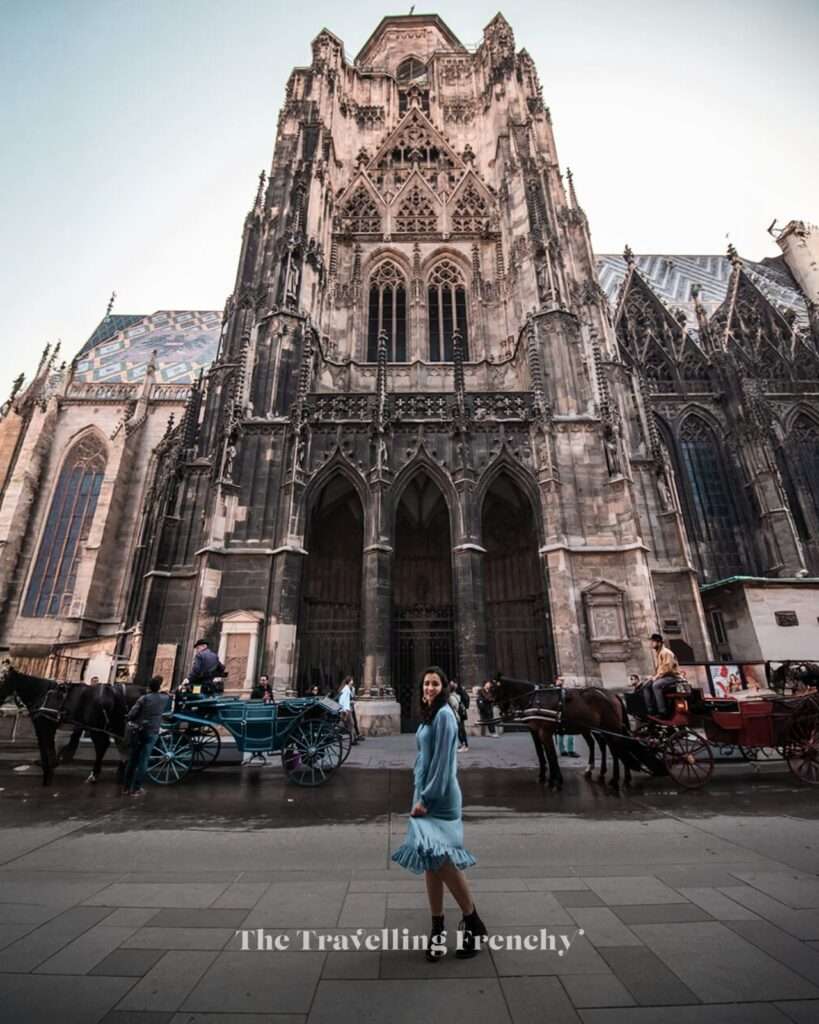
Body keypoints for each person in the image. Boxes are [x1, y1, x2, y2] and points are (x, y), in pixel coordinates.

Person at [392, 666, 487, 960]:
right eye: (426, 684)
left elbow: (445, 762)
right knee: (430, 861)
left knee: (442, 860)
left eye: (434, 684)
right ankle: (437, 928)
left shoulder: (445, 714)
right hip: (425, 792)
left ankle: (472, 920)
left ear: (443, 687)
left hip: (439, 797)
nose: (429, 688)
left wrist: (427, 798)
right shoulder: (431, 713)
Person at [123, 676, 170, 796]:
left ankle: (126, 787)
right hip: (152, 731)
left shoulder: (143, 698)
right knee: (144, 760)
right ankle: (137, 788)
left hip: (139, 731)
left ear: (149, 687)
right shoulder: (164, 698)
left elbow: (132, 713)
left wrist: (128, 717)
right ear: (159, 687)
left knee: (132, 760)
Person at [642, 633, 681, 717]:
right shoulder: (659, 653)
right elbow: (660, 669)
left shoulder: (666, 652)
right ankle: (650, 710)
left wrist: (656, 677)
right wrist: (653, 676)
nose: (651, 644)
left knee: (656, 685)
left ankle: (662, 711)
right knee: (646, 685)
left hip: (672, 677)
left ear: (659, 643)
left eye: (653, 642)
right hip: (663, 677)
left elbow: (667, 669)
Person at [338, 676, 357, 745]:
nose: (353, 681)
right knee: (351, 724)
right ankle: (352, 739)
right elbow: (343, 700)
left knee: (345, 723)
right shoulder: (346, 689)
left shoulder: (348, 688)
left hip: (346, 709)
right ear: (349, 681)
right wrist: (345, 710)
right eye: (352, 680)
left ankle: (352, 739)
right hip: (346, 709)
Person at [452, 679, 470, 751]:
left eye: (453, 683)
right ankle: (464, 744)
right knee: (460, 728)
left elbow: (465, 700)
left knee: (460, 728)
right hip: (460, 712)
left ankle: (464, 745)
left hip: (459, 712)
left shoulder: (459, 692)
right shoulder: (460, 691)